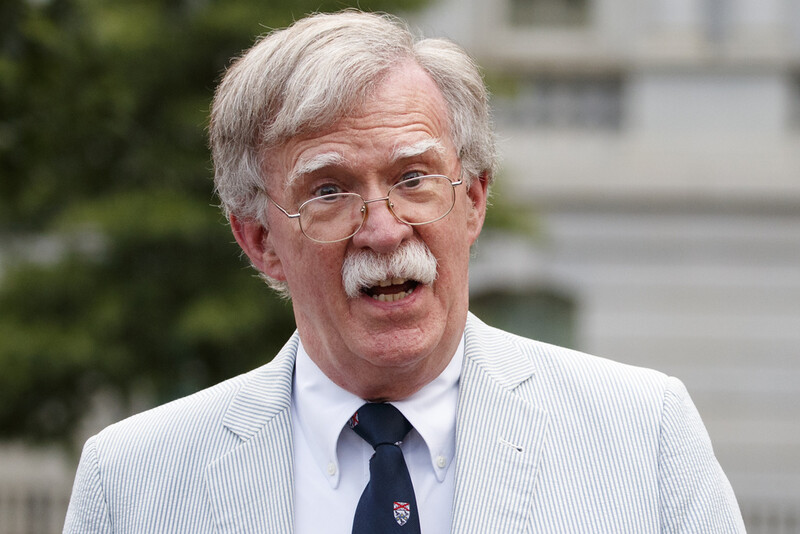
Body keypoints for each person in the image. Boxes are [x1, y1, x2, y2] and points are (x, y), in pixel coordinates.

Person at [63, 10, 745, 533]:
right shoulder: (132, 483)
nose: (384, 228)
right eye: (328, 191)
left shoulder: (642, 434)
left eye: (414, 178)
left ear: (472, 200)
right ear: (260, 239)